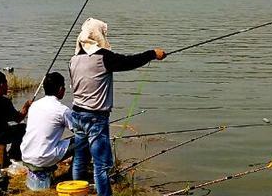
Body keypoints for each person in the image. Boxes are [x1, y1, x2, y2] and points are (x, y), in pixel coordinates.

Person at [69, 17, 166, 196]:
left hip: (76, 114)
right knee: (101, 165)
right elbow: (129, 62)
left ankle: (75, 191)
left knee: (80, 158)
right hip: (95, 118)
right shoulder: (103, 58)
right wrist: (152, 53)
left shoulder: (73, 60)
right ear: (97, 35)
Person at [21, 72, 74, 168]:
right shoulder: (62, 110)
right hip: (44, 157)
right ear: (61, 89)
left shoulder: (34, 105)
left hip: (26, 154)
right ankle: (77, 174)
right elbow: (78, 130)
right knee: (83, 140)